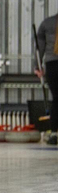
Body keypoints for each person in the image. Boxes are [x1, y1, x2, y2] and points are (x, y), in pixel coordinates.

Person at [35, 15, 58, 145]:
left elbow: (39, 49)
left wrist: (37, 67)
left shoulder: (47, 23)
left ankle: (54, 133)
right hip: (52, 64)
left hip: (52, 66)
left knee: (56, 99)